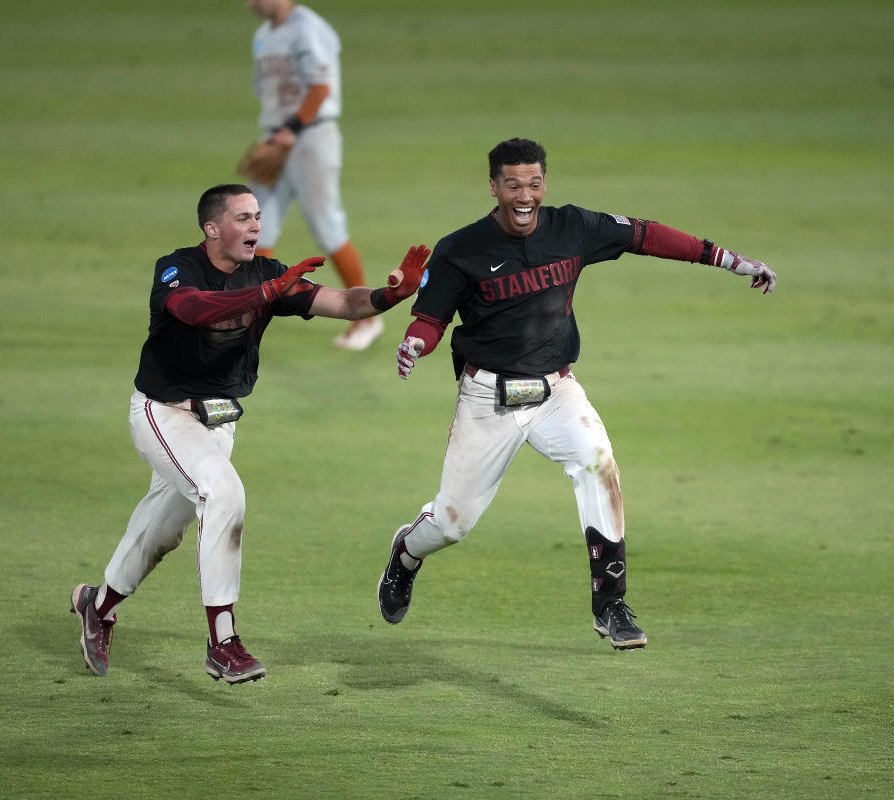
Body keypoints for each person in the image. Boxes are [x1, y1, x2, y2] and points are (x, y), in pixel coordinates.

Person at [377, 138, 776, 650]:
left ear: (545, 183)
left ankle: (610, 603)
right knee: (452, 525)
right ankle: (406, 552)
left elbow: (645, 235)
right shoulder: (461, 248)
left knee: (597, 460)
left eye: (535, 182)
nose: (526, 195)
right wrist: (415, 344)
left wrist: (727, 259)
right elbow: (429, 320)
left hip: (555, 391)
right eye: (514, 184)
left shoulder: (573, 227)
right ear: (494, 186)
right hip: (487, 400)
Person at [71, 183, 429, 684]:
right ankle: (224, 643)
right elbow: (194, 309)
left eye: (258, 216)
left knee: (162, 531)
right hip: (163, 413)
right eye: (243, 218)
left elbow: (345, 303)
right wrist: (267, 293)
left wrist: (391, 294)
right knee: (225, 494)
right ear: (212, 228)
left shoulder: (267, 273)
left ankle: (97, 605)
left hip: (217, 423)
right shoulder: (178, 268)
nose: (256, 225)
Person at [242, 0, 381, 351]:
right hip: (278, 139)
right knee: (257, 228)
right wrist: (277, 134)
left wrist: (292, 127)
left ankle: (367, 318)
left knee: (326, 226)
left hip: (310, 138)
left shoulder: (308, 29)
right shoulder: (263, 35)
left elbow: (321, 87)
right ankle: (253, 317)